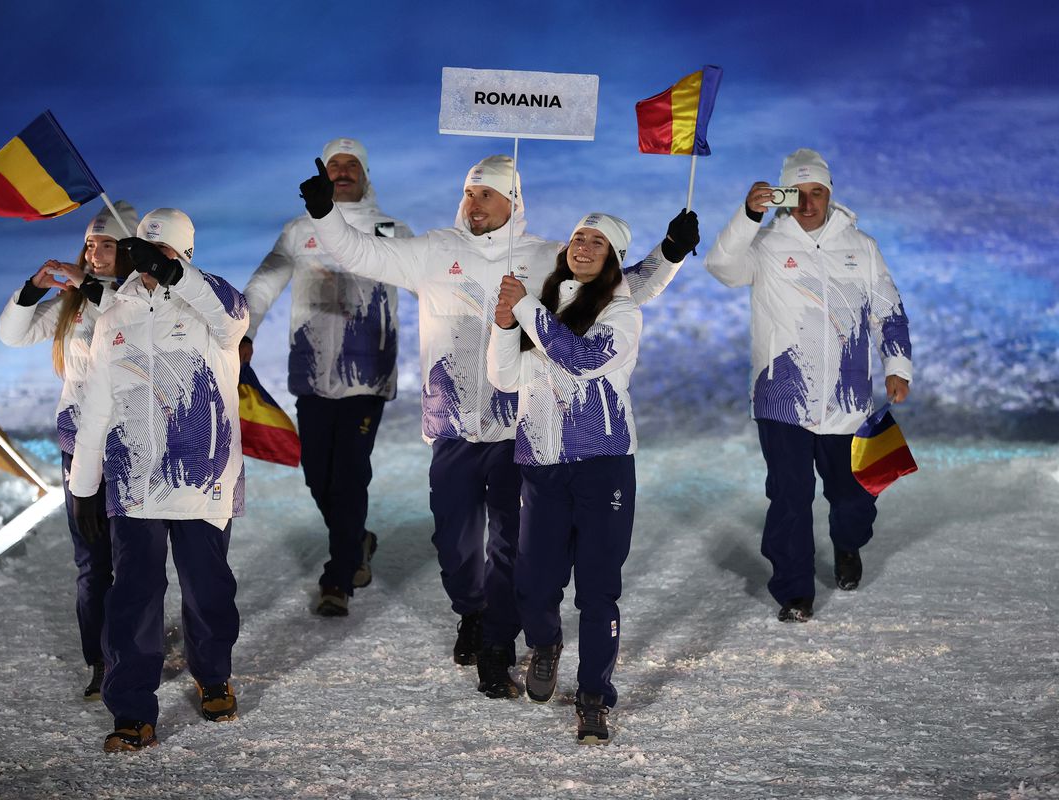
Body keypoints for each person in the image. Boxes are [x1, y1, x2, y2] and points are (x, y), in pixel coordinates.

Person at [298, 155, 698, 697]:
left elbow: (618, 286)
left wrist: (670, 254)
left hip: (521, 429)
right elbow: (359, 251)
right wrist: (325, 213)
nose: (473, 204)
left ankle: (497, 640)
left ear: (514, 200)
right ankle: (472, 611)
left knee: (511, 544)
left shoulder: (542, 255)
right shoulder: (435, 251)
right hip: (454, 423)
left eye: (485, 195)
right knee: (454, 542)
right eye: (468, 193)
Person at [703, 148, 912, 622]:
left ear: (830, 194)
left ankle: (847, 544)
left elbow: (889, 309)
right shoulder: (766, 242)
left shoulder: (861, 246)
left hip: (849, 399)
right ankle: (794, 590)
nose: (808, 201)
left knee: (855, 494)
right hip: (781, 397)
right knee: (790, 496)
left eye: (817, 191)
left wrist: (897, 366)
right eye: (798, 192)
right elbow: (721, 267)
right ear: (784, 196)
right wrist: (747, 215)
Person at [69, 208, 250, 752]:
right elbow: (97, 404)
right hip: (134, 480)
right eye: (144, 252)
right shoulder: (115, 312)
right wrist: (83, 487)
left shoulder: (213, 304)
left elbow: (232, 321)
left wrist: (176, 276)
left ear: (184, 253)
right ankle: (131, 710)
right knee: (134, 598)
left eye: (163, 252)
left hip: (202, 477)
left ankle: (213, 673)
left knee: (207, 588)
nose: (149, 263)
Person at [489, 213, 645, 744]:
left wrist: (526, 308)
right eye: (579, 236)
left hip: (603, 464)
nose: (584, 245)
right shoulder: (545, 306)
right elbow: (503, 377)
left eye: (597, 241)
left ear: (613, 258)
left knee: (598, 589)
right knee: (534, 582)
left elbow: (578, 359)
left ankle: (594, 695)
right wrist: (503, 324)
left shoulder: (622, 312)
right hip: (541, 462)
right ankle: (546, 643)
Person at [245, 138, 412, 617]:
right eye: (333, 164)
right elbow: (264, 282)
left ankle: (337, 577)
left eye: (351, 164)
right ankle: (356, 539)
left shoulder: (392, 231)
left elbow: (433, 283)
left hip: (367, 373)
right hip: (313, 372)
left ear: (365, 173)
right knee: (318, 473)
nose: (341, 171)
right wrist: (243, 330)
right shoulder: (300, 231)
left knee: (350, 474)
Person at [0, 200, 138, 701]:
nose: (95, 254)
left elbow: (125, 318)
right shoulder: (75, 301)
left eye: (107, 245)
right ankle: (100, 660)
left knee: (134, 558)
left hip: (131, 446)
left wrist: (89, 285)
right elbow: (12, 335)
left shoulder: (145, 298)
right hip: (79, 444)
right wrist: (34, 290)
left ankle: (133, 654)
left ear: (130, 249)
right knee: (92, 561)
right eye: (90, 245)